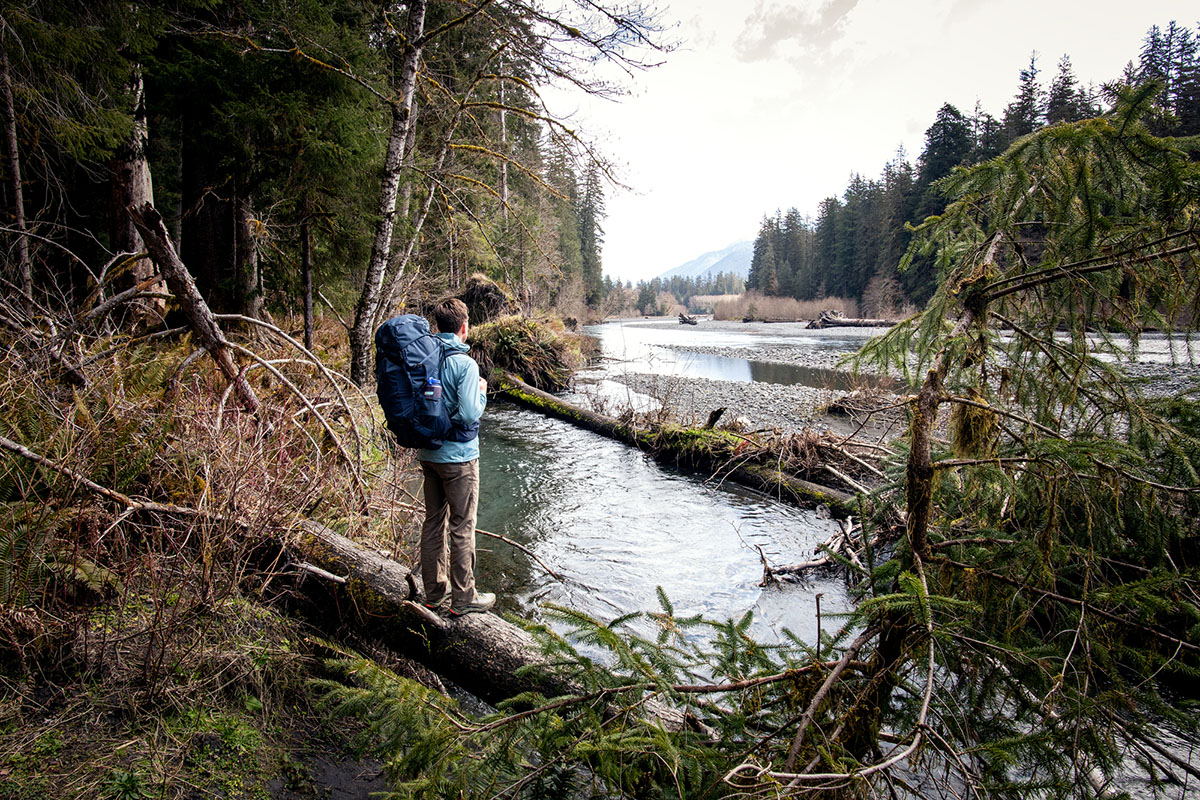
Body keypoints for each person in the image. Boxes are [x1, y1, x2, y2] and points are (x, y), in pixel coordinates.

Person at [417, 298, 494, 617]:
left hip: (428, 454)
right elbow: (469, 413)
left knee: (433, 523)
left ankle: (434, 594)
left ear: (438, 326)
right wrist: (482, 392)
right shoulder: (466, 364)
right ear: (464, 327)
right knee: (462, 526)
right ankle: (464, 598)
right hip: (460, 459)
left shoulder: (425, 358)